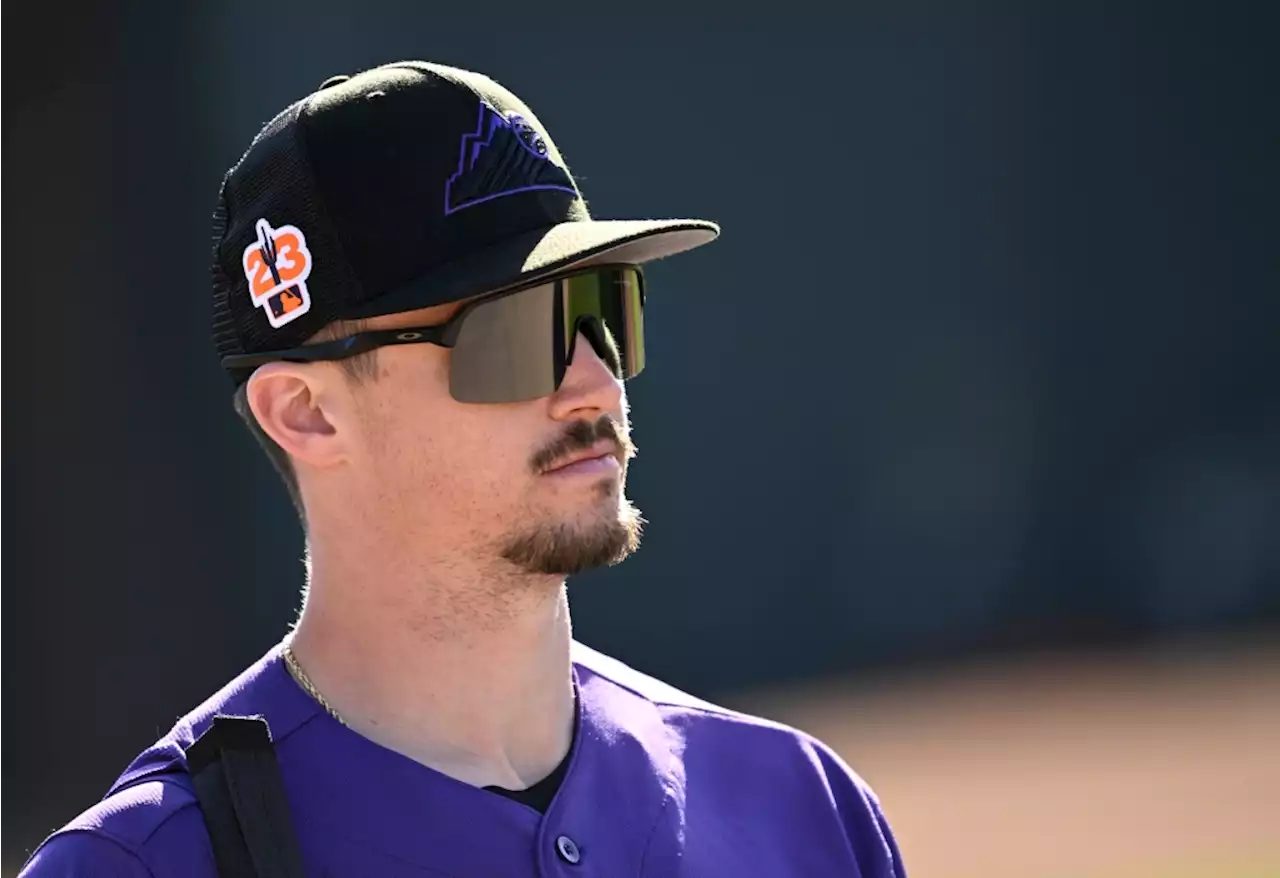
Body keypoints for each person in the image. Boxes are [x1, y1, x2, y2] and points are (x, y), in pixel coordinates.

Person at [20, 60, 906, 877]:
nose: (594, 382)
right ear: (308, 413)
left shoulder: (799, 807)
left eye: (603, 308)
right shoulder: (153, 860)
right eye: (514, 334)